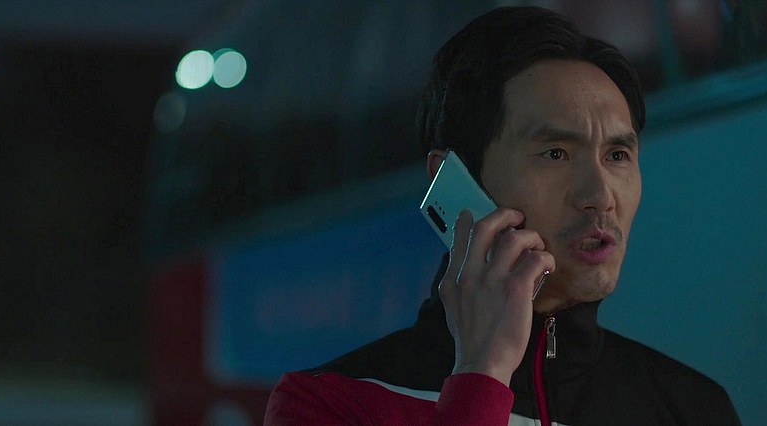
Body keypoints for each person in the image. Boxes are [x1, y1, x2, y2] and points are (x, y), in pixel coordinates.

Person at [264, 6, 740, 425]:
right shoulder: (331, 401)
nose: (600, 196)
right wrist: (482, 374)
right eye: (554, 154)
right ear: (454, 181)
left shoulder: (691, 408)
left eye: (617, 156)